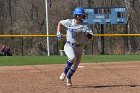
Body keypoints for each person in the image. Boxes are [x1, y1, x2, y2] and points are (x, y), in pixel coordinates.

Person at [56, 7, 93, 86]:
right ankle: (64, 73)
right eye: (79, 15)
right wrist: (58, 32)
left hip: (79, 47)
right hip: (69, 45)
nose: (81, 17)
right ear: (75, 15)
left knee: (75, 65)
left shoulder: (85, 25)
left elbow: (90, 37)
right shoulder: (69, 22)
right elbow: (60, 23)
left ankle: (68, 78)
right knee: (72, 58)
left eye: (82, 15)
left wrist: (86, 33)